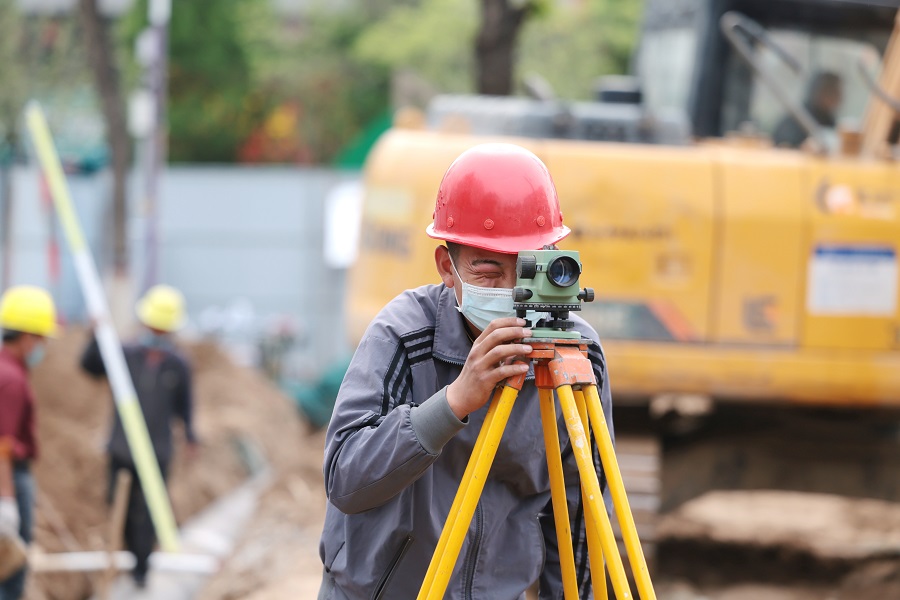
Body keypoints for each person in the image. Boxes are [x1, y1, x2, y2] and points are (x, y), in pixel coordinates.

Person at [318, 144, 613, 599]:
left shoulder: (576, 354)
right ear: (447, 267)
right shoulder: (404, 334)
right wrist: (453, 402)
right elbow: (346, 480)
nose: (512, 291)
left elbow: (581, 512)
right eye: (490, 270)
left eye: (527, 269)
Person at [80, 284, 197, 588]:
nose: (157, 332)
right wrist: (95, 336)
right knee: (117, 503)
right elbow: (90, 367)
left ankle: (141, 570)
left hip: (157, 450)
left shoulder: (178, 365)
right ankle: (129, 554)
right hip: (122, 447)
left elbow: (185, 406)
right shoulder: (125, 355)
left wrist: (191, 436)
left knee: (147, 511)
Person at [0, 285, 57, 599]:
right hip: (11, 477)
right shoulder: (11, 378)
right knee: (11, 570)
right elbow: (2, 446)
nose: (43, 346)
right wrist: (7, 500)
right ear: (26, 337)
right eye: (41, 338)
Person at [773, 71, 843, 148]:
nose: (840, 97)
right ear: (820, 91)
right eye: (835, 91)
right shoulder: (801, 116)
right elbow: (784, 145)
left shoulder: (828, 119)